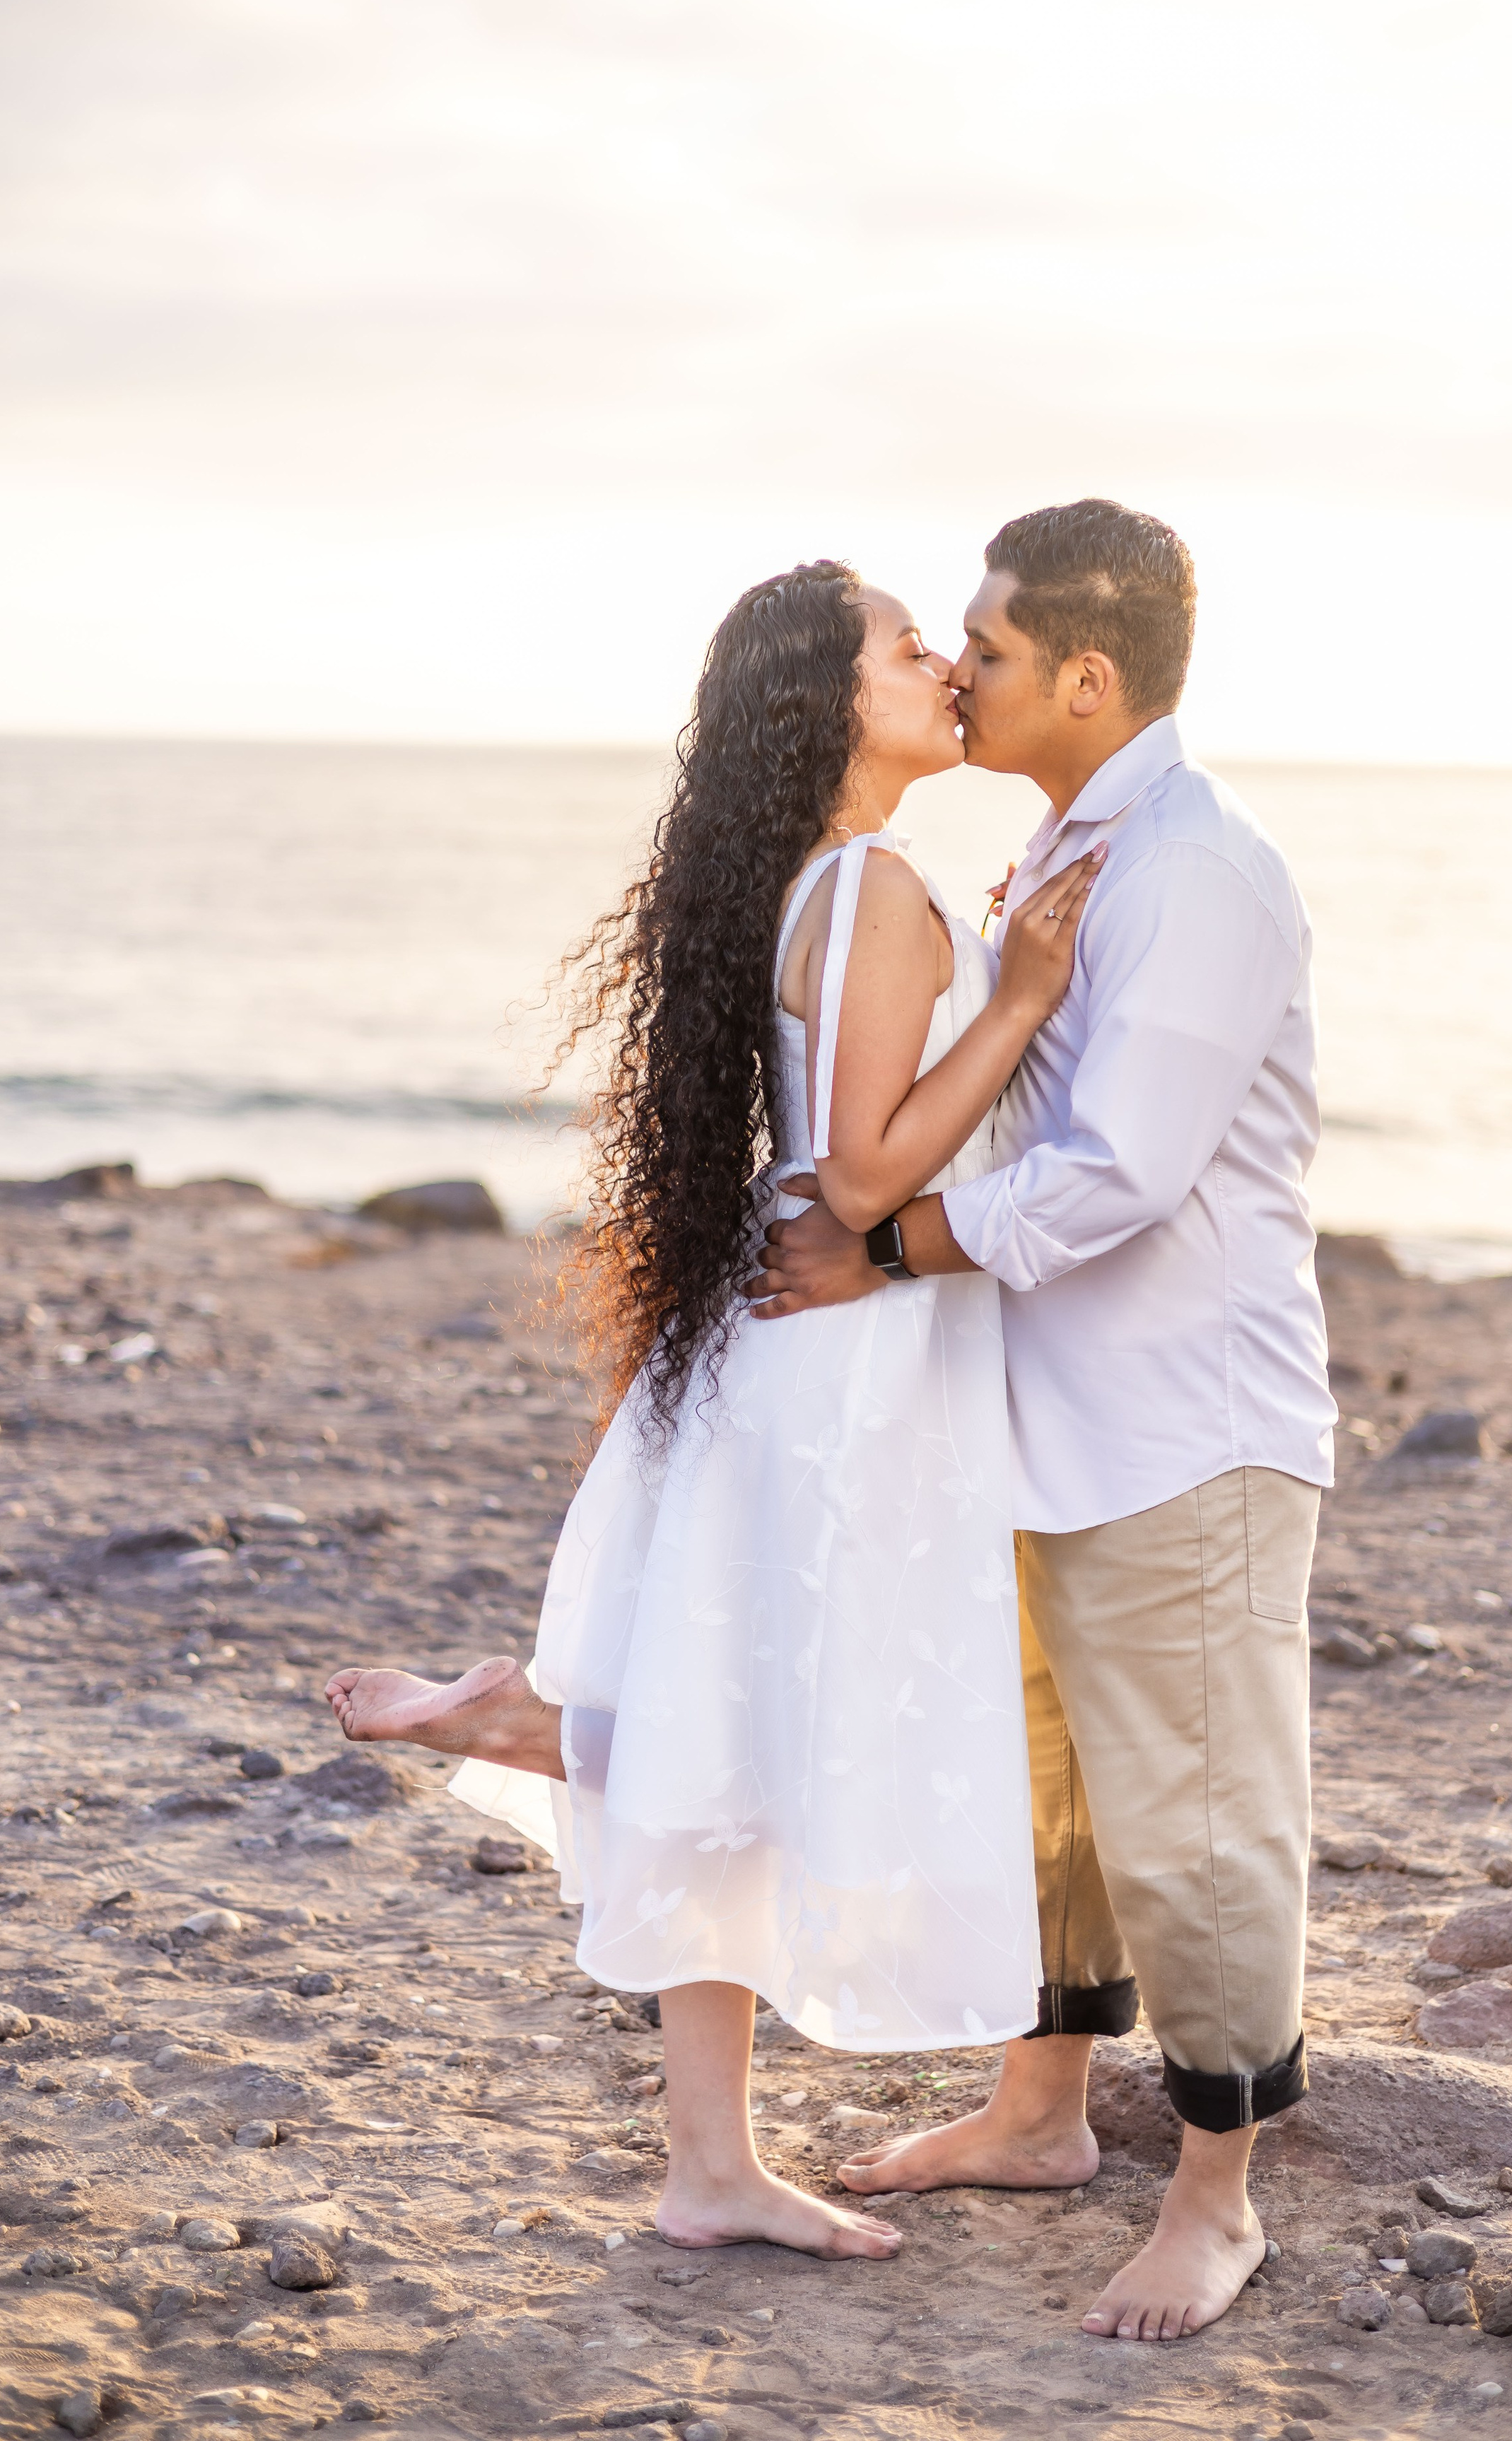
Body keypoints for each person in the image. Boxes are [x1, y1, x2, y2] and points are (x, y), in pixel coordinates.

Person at [324, 558, 1101, 2264]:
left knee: (732, 1739)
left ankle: (705, 2154)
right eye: (908, 646)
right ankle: (557, 1728)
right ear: (831, 700)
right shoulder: (869, 884)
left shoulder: (820, 880)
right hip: (846, 1360)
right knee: (765, 1729)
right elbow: (867, 1172)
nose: (942, 663)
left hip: (800, 1348)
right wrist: (1024, 995)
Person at [747, 500, 1337, 2341]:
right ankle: (1037, 2113)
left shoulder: (1195, 866)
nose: (962, 668)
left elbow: (1118, 1173)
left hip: (1182, 1429)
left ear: (1087, 676)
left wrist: (886, 1245)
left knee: (1200, 1816)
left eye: (988, 646)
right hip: (1029, 1410)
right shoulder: (1073, 852)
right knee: (1055, 1806)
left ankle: (1217, 2198)